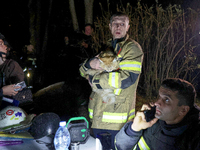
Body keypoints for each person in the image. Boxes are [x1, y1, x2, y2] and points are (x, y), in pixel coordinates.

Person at [79, 12, 143, 149]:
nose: (118, 27)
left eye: (122, 24)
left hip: (117, 121)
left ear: (128, 27)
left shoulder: (132, 48)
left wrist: (95, 80)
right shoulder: (107, 47)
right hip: (97, 117)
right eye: (115, 23)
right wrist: (90, 64)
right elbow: (83, 72)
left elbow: (127, 78)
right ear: (110, 26)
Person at [115, 78, 200, 150]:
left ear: (183, 110)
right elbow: (120, 147)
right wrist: (133, 130)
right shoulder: (151, 121)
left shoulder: (195, 138)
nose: (157, 103)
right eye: (159, 97)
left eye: (166, 100)